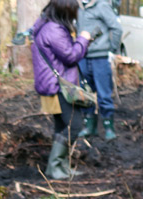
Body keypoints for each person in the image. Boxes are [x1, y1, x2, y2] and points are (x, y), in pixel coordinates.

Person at [30, 0, 92, 180]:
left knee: (61, 125)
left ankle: (62, 167)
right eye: (74, 11)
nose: (75, 14)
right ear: (65, 11)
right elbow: (71, 56)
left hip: (50, 84)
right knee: (75, 125)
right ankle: (55, 166)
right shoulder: (54, 30)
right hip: (59, 87)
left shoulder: (46, 25)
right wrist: (84, 39)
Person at [76, 0, 123, 140]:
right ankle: (89, 126)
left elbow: (116, 28)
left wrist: (112, 49)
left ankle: (109, 128)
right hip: (82, 56)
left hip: (100, 57)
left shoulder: (102, 5)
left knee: (104, 93)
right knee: (85, 92)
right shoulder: (78, 7)